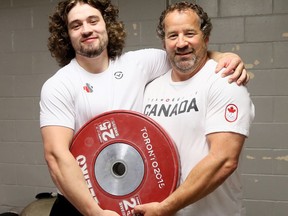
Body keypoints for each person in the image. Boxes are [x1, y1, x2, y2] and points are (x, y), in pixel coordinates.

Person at [40, 0, 250, 215]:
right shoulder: (59, 85)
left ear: (106, 24)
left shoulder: (139, 63)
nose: (86, 30)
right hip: (80, 205)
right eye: (76, 25)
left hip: (130, 200)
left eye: (93, 20)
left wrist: (225, 58)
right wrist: (94, 212)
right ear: (66, 34)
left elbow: (186, 54)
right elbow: (56, 156)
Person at [134, 2, 255, 216]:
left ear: (205, 38)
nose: (181, 43)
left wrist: (165, 208)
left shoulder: (225, 80)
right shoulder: (150, 88)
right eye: (173, 36)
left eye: (190, 33)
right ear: (164, 43)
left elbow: (224, 160)